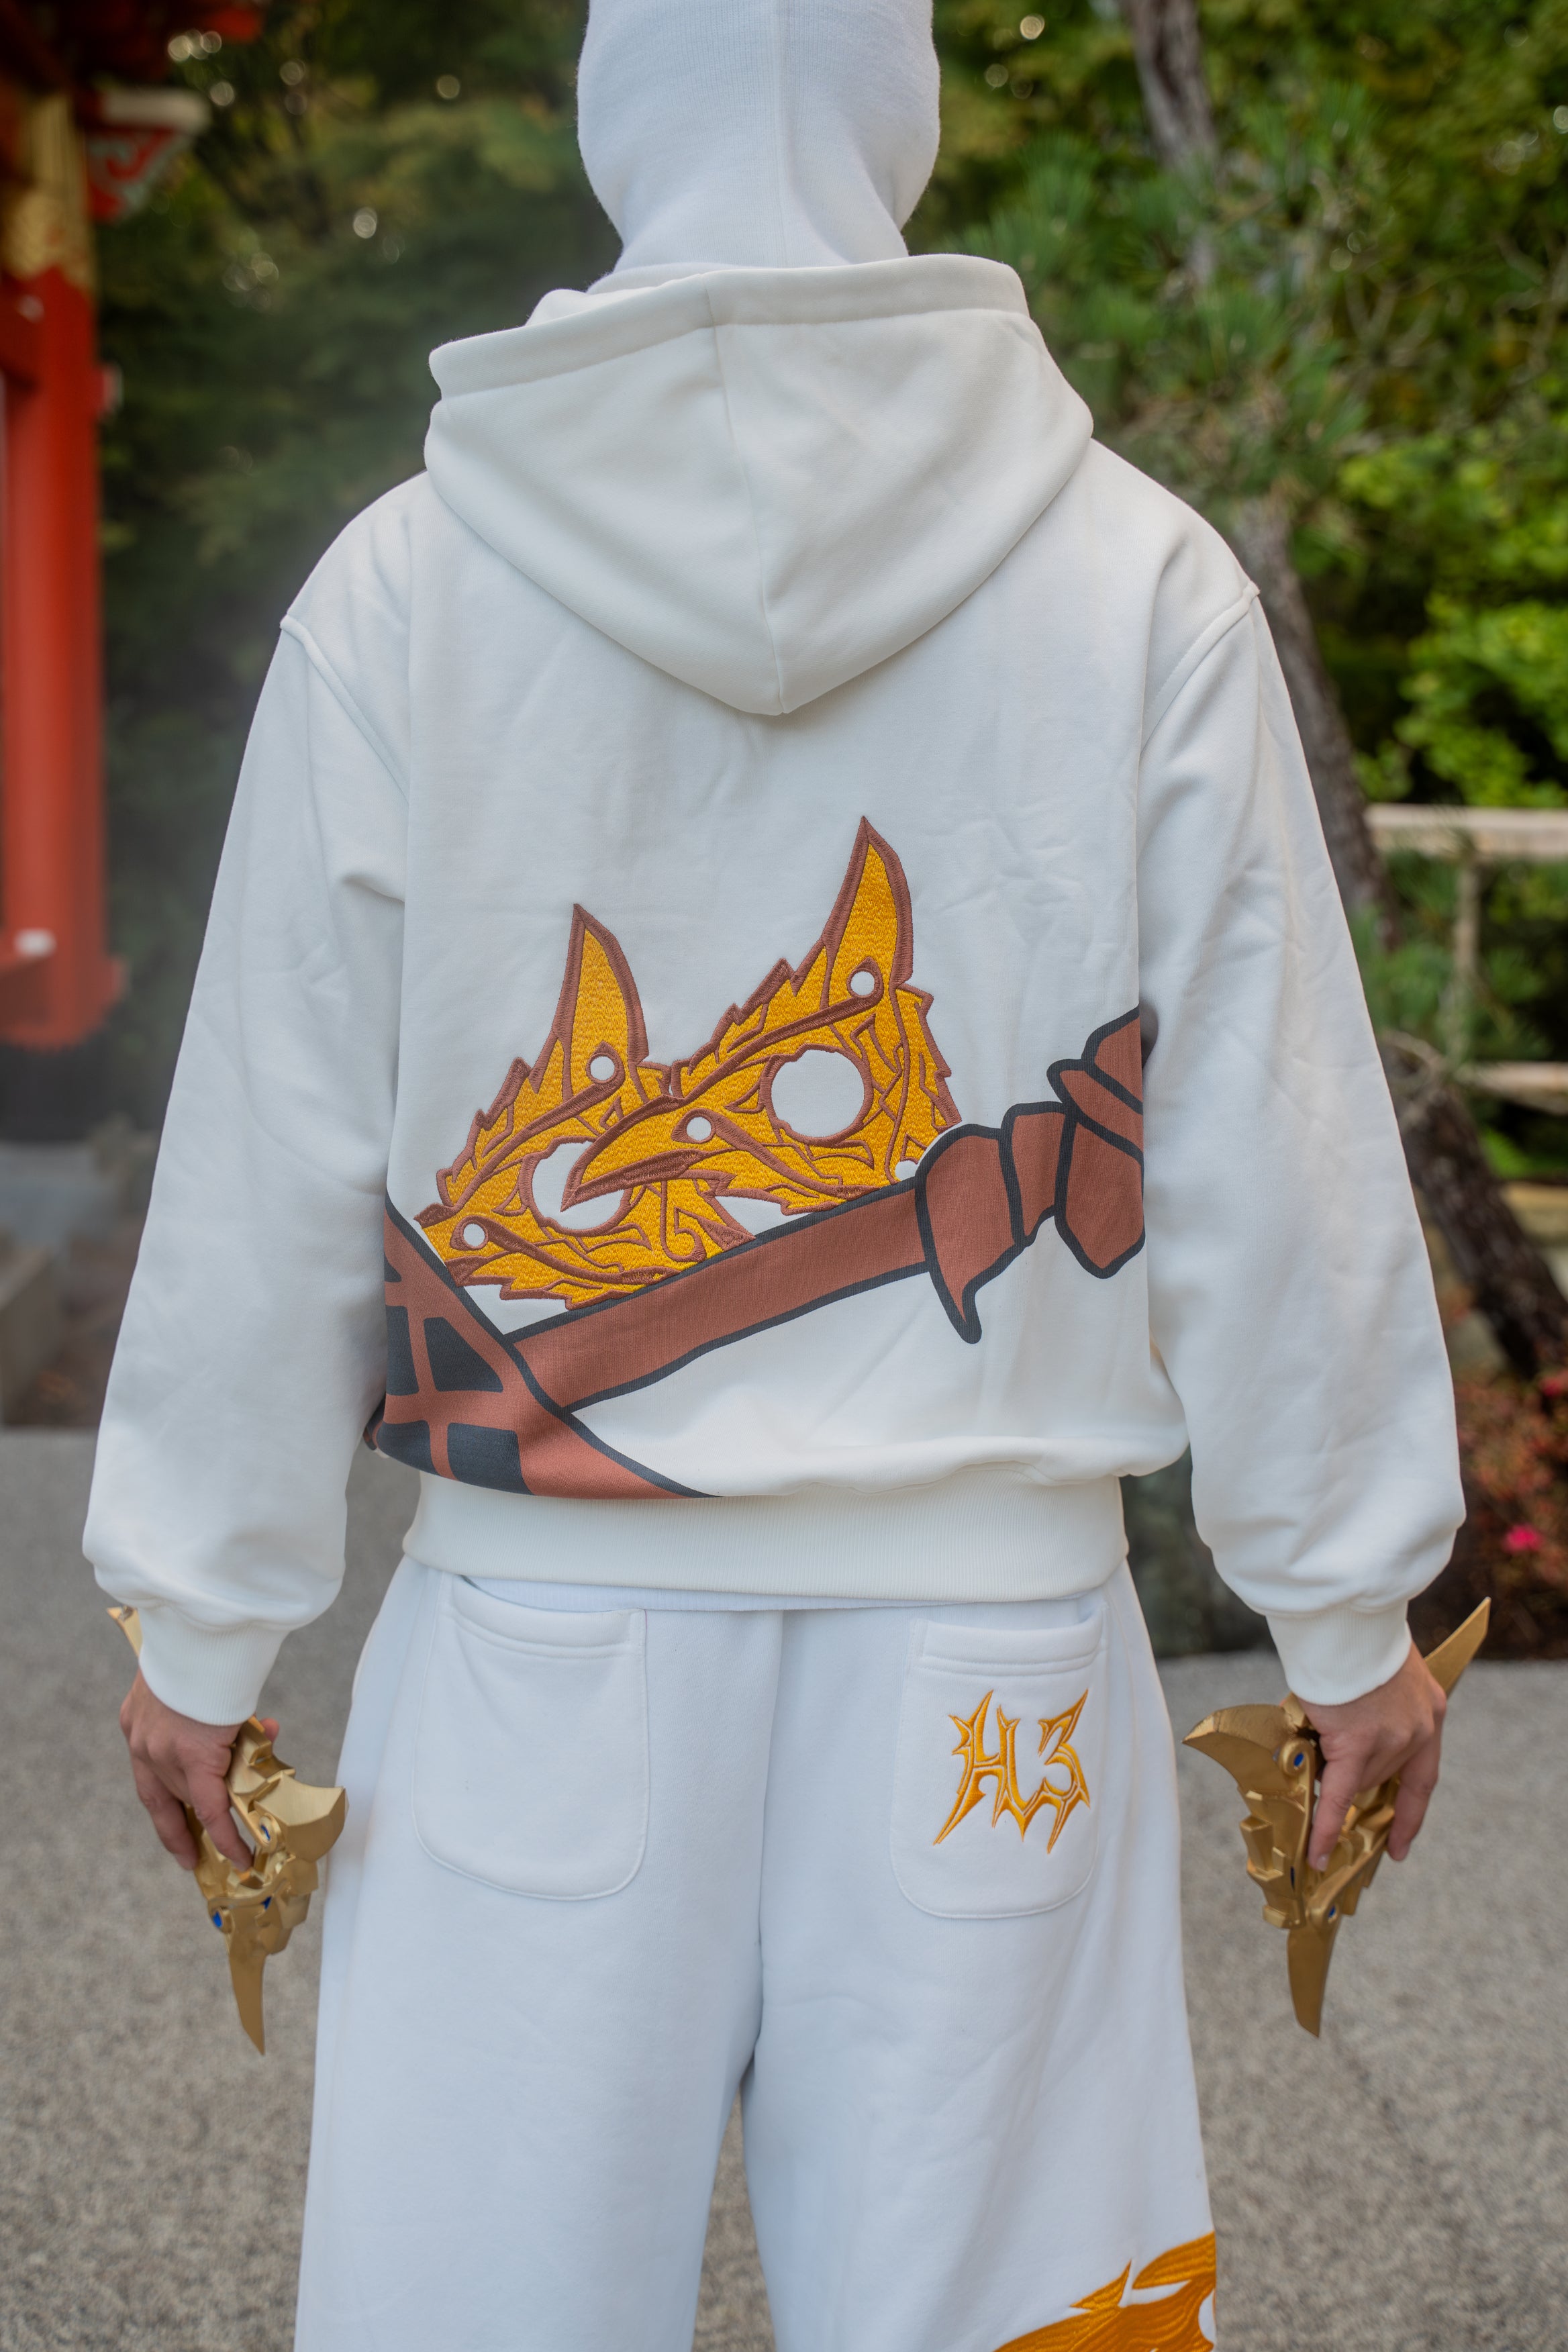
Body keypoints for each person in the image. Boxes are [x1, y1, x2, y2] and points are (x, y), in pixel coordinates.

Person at [89, 2, 1461, 2345]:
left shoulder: (406, 586)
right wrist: (1349, 1612)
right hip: (992, 1652)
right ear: (899, 118)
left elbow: (272, 1139)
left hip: (536, 1648)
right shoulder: (1139, 582)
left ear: (615, 112)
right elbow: (1272, 1138)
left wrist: (203, 1621)